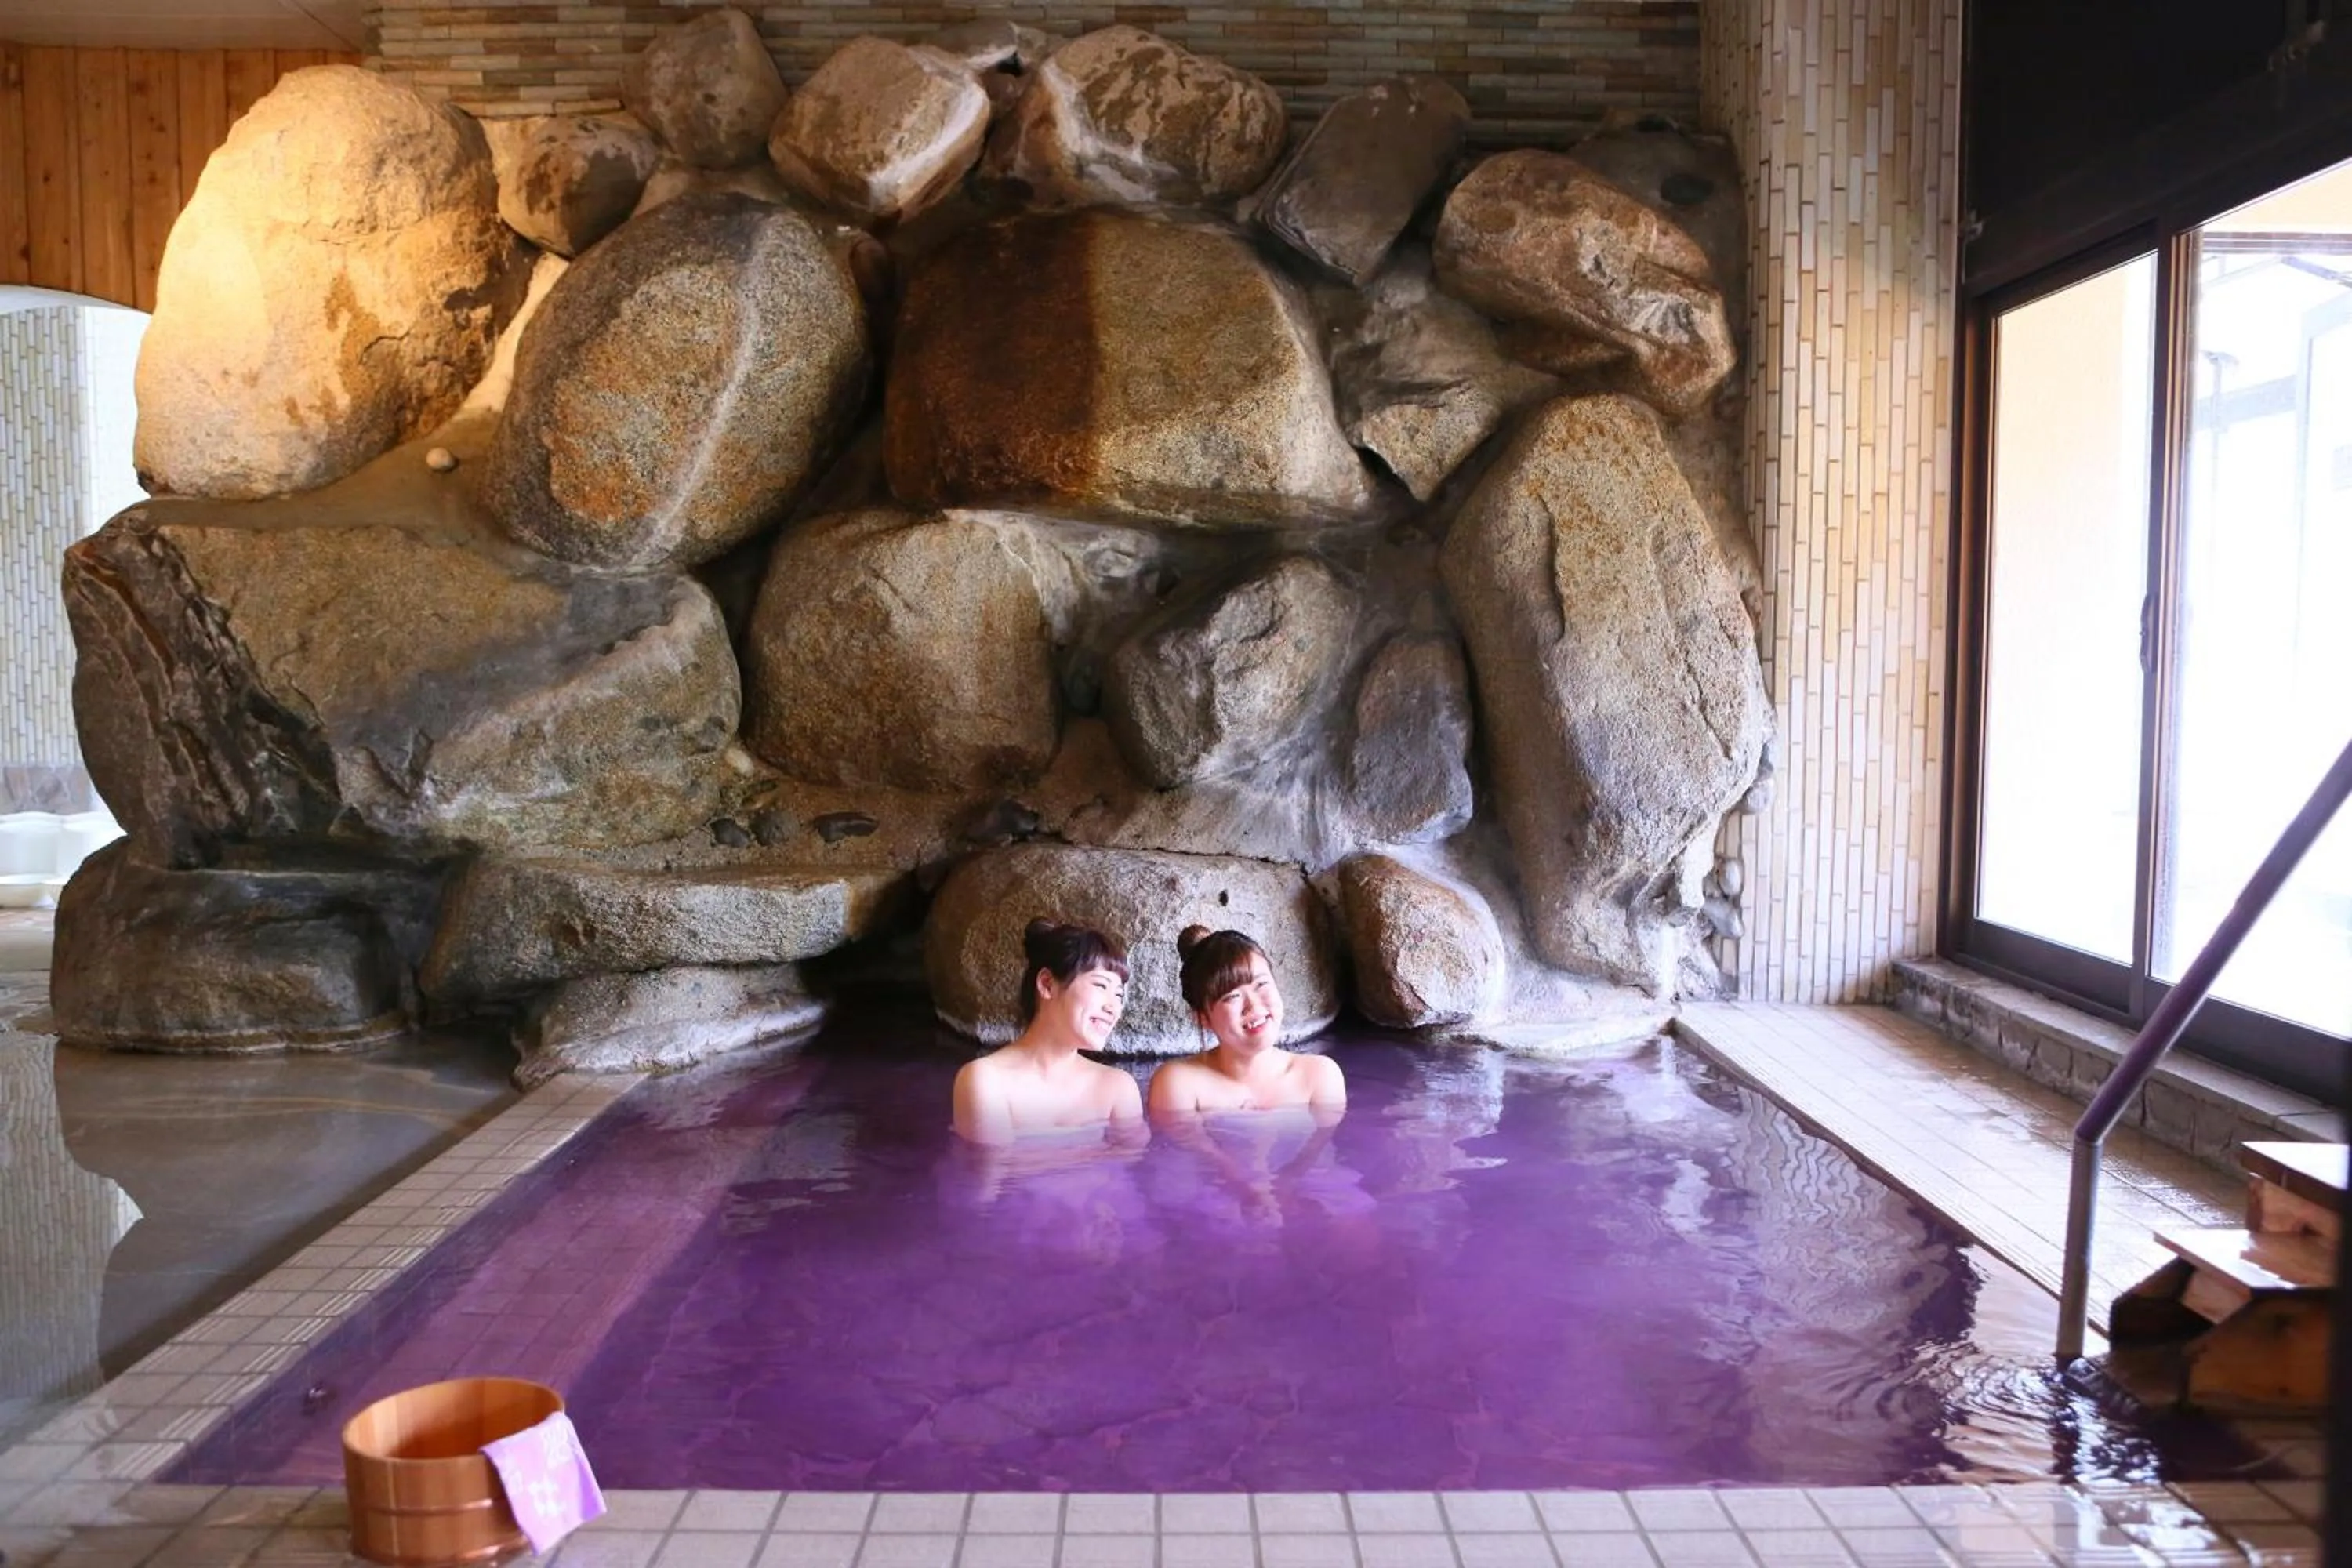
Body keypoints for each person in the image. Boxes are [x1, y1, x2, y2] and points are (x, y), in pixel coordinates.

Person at [951, 918, 1146, 1147]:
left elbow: (1132, 1175)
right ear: (1047, 984)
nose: (1113, 1007)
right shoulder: (987, 1081)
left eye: (1119, 995)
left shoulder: (1118, 1087)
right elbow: (990, 1179)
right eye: (1101, 986)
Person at [1145, 926, 1345, 1118]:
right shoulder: (1179, 1085)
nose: (1253, 1005)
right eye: (1232, 997)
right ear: (1202, 1017)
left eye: (1262, 984)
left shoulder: (1319, 1077)